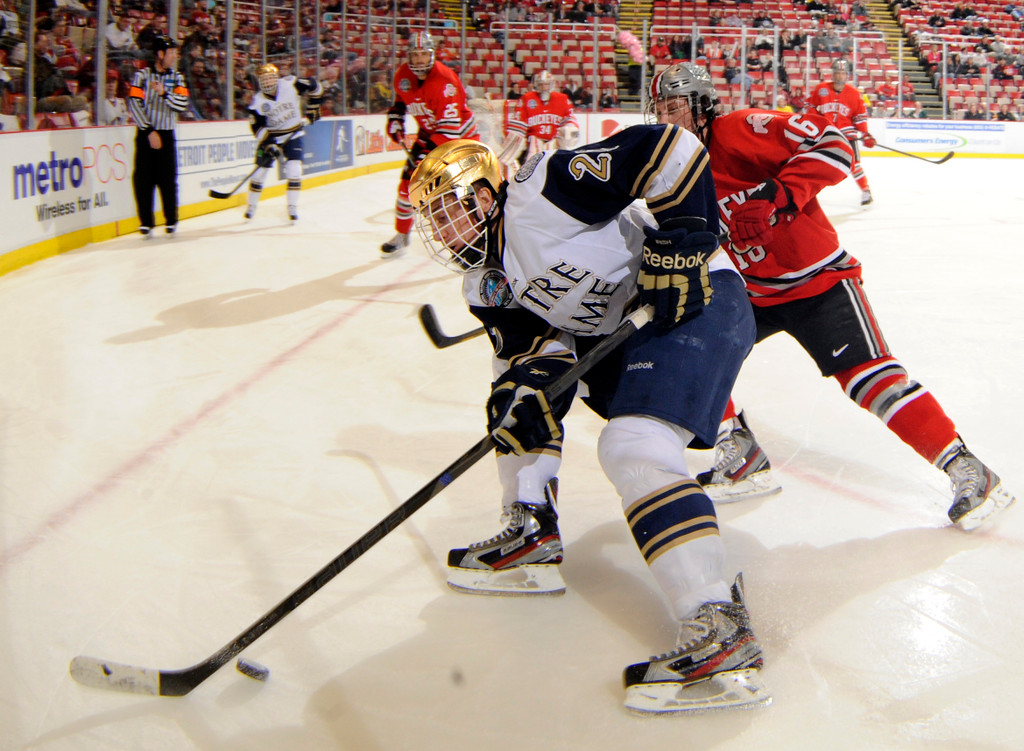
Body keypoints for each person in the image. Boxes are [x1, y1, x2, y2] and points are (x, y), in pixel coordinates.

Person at [406, 130, 769, 713]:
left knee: (634, 446)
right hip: (623, 328)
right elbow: (539, 353)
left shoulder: (542, 192)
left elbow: (671, 152)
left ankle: (717, 624)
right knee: (519, 403)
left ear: (481, 197)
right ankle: (530, 526)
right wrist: (521, 392)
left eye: (447, 211)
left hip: (696, 296)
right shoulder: (484, 281)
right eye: (433, 219)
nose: (442, 233)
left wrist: (684, 244)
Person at [648, 62, 1016, 530]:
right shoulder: (675, 166)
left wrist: (780, 193)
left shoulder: (740, 129)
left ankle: (967, 468)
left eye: (674, 108)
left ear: (701, 108)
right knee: (687, 349)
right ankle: (737, 453)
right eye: (659, 109)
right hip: (751, 291)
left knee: (870, 380)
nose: (664, 120)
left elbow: (835, 143)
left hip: (817, 281)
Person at [380, 31, 479, 258]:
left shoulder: (445, 80)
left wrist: (424, 157)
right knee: (407, 187)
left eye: (423, 55)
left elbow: (451, 130)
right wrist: (395, 119)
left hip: (460, 138)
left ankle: (471, 239)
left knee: (461, 193)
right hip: (429, 134)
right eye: (415, 56)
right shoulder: (403, 75)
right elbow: (401, 101)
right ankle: (402, 234)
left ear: (431, 54)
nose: (419, 61)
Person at [243, 63, 322, 224]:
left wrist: (313, 108)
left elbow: (315, 86)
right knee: (259, 173)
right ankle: (251, 206)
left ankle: (292, 207)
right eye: (264, 80)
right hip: (271, 137)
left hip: (293, 135)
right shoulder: (257, 102)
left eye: (270, 78)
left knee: (294, 170)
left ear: (276, 78)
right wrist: (269, 144)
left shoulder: (290, 84)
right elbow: (256, 127)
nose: (268, 83)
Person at [126, 35, 189, 238]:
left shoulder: (177, 78)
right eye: (170, 53)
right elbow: (133, 104)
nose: (173, 57)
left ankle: (171, 220)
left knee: (168, 179)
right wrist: (147, 130)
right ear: (160, 54)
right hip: (147, 134)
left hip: (167, 134)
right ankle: (146, 222)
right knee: (143, 179)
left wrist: (164, 94)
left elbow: (182, 104)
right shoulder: (142, 76)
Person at [806, 59, 876, 205]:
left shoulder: (855, 94)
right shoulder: (822, 89)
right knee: (815, 162)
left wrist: (865, 134)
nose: (839, 76)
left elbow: (860, 117)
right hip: (825, 134)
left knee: (854, 164)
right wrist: (812, 126)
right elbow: (811, 108)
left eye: (843, 73)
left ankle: (865, 190)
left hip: (846, 134)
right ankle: (807, 193)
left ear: (847, 75)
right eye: (837, 73)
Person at [496, 69, 579, 171]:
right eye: (541, 84)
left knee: (556, 169)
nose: (544, 88)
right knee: (531, 170)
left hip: (553, 141)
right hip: (535, 141)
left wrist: (568, 133)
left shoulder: (562, 99)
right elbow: (519, 124)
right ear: (537, 85)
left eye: (547, 84)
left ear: (552, 85)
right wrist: (510, 149)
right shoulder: (527, 98)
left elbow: (570, 120)